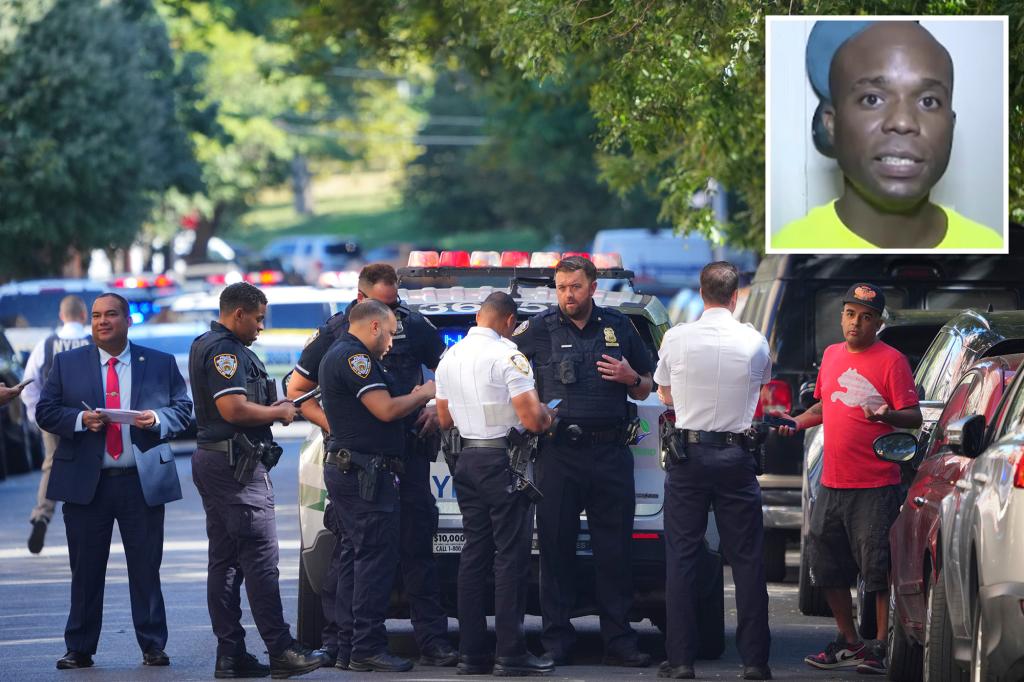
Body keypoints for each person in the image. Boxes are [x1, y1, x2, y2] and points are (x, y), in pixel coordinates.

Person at [287, 263, 455, 668]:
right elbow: (297, 391)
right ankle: (344, 641)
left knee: (415, 546)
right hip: (361, 460)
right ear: (363, 301)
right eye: (384, 308)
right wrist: (341, 429)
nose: (392, 319)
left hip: (407, 453)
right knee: (355, 553)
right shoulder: (337, 336)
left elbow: (450, 372)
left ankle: (429, 639)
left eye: (395, 304)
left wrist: (436, 407)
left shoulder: (414, 325)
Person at [35, 293, 192, 670]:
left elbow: (183, 410)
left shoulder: (159, 362)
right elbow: (45, 411)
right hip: (87, 484)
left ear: (128, 320)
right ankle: (79, 648)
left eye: (110, 315)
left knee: (146, 567)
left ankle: (153, 645)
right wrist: (79, 420)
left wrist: (157, 419)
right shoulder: (68, 364)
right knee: (85, 570)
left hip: (141, 481)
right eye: (96, 316)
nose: (102, 321)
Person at [512, 256, 654, 667]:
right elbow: (502, 371)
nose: (567, 295)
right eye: (561, 287)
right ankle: (557, 639)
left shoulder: (619, 326)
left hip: (610, 452)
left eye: (575, 287)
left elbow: (648, 386)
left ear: (592, 288)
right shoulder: (538, 328)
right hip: (558, 454)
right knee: (555, 550)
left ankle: (619, 640)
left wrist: (631, 378)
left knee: (615, 551)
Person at [776, 282, 922, 675]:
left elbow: (914, 416)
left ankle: (879, 647)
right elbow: (826, 404)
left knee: (876, 569)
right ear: (842, 316)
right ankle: (849, 640)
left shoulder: (892, 361)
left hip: (875, 485)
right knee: (825, 565)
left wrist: (888, 414)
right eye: (850, 314)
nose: (856, 322)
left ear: (878, 323)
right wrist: (795, 421)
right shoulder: (831, 355)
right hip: (832, 482)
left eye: (866, 317)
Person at [188, 282, 326, 679]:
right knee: (260, 558)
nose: (261, 327)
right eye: (259, 319)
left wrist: (270, 406)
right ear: (238, 314)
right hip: (235, 468)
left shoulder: (208, 344)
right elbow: (232, 409)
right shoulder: (225, 351)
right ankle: (281, 649)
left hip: (220, 461)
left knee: (226, 561)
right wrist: (277, 413)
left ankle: (231, 654)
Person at [772, 20, 1001, 250]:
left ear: (951, 125)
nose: (902, 122)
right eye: (872, 99)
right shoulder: (790, 251)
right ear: (831, 124)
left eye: (928, 102)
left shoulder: (990, 248)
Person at [654, 262, 772, 681]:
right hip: (737, 456)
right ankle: (755, 662)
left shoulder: (676, 337)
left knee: (682, 557)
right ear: (735, 296)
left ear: (701, 293)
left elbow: (664, 393)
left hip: (688, 456)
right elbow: (760, 386)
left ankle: (681, 660)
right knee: (747, 560)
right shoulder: (755, 341)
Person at [434, 292, 557, 676]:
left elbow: (444, 419)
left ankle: (471, 653)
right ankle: (510, 653)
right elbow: (532, 419)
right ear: (509, 321)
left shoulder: (449, 357)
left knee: (474, 555)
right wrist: (548, 417)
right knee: (510, 559)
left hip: (467, 461)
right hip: (504, 462)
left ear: (478, 317)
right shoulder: (508, 356)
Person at [318, 299, 436, 673]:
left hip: (356, 470)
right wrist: (424, 393)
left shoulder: (346, 354)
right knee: (373, 561)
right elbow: (385, 409)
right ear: (373, 326)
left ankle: (348, 645)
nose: (391, 342)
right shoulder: (356, 358)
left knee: (356, 558)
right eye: (389, 334)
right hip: (363, 473)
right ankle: (366, 647)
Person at [22, 294, 92, 554]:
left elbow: (30, 383)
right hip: (88, 416)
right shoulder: (93, 342)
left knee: (52, 465)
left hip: (53, 416)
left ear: (61, 316)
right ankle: (85, 521)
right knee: (89, 465)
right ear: (84, 315)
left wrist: (37, 416)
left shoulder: (46, 344)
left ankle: (42, 514)